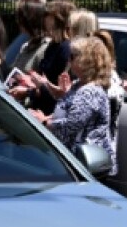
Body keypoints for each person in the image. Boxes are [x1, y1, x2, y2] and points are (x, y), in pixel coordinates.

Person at [31, 36, 116, 174]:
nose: (68, 60)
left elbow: (72, 124)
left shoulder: (90, 91)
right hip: (72, 161)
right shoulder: (78, 85)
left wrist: (45, 122)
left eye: (73, 56)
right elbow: (66, 110)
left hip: (83, 165)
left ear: (87, 61)